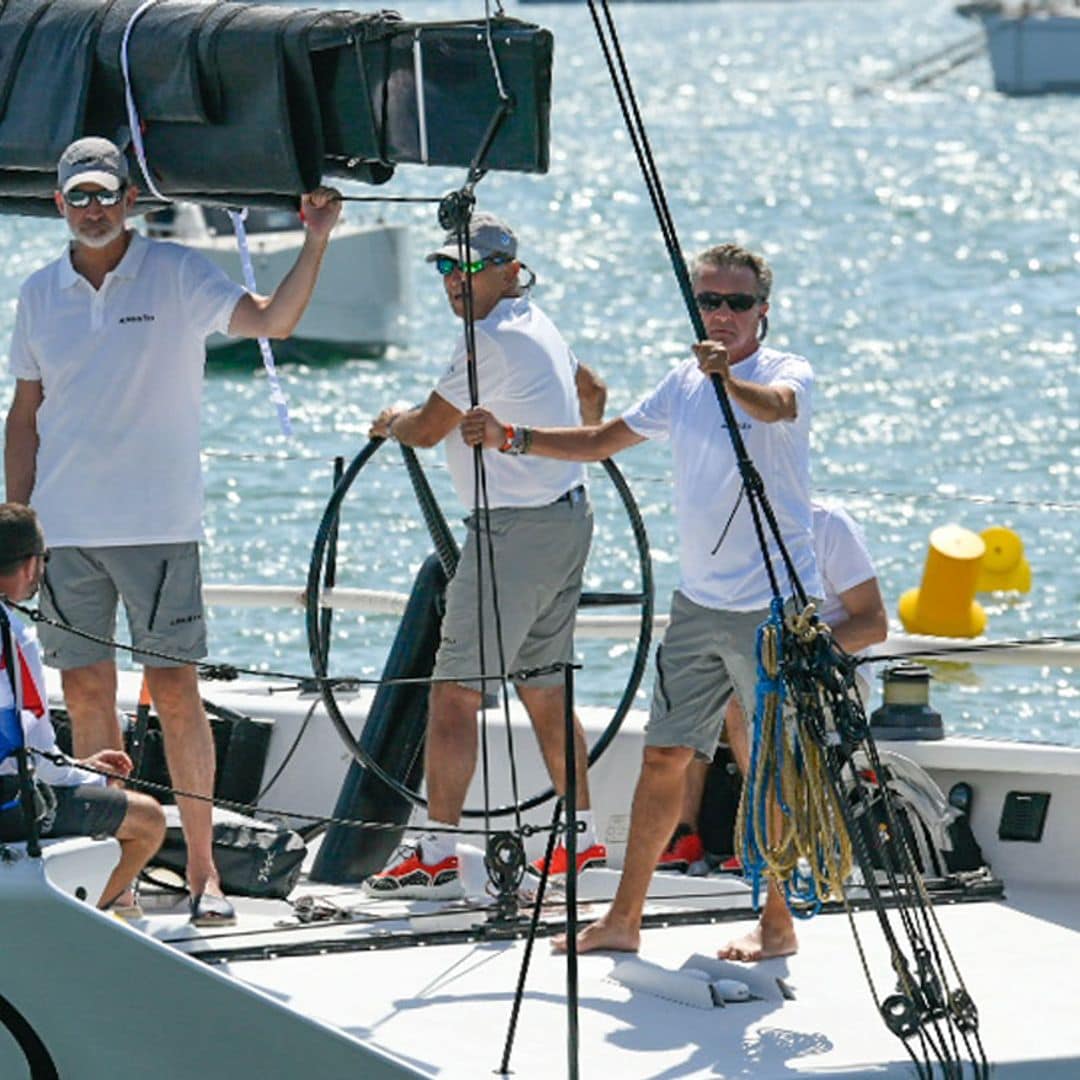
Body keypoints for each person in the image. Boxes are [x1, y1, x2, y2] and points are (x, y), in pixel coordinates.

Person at [4, 137, 341, 925]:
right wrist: (19, 529)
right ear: (58, 204)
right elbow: (25, 414)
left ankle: (201, 874)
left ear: (129, 202)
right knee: (86, 693)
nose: (92, 209)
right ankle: (114, 876)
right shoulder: (36, 293)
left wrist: (316, 239)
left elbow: (275, 320)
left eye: (105, 196)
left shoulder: (178, 272)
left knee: (178, 695)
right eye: (78, 197)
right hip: (64, 530)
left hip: (158, 526)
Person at [461, 241, 823, 953]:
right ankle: (623, 920)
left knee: (766, 764)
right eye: (709, 302)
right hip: (698, 607)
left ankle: (777, 923)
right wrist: (516, 438)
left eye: (737, 303)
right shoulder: (679, 383)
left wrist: (730, 382)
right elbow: (601, 439)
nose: (722, 314)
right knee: (665, 756)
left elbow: (777, 409)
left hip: (771, 607)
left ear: (762, 312)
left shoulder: (784, 373)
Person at [365, 212, 608, 899]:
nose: (455, 282)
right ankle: (579, 843)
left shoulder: (486, 342)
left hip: (512, 534)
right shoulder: (539, 324)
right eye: (445, 268)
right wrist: (563, 453)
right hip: (568, 518)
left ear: (509, 270)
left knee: (454, 694)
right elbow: (593, 390)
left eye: (470, 268)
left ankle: (436, 852)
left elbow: (426, 428)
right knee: (544, 688)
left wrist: (390, 422)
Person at [664, 500, 888, 960]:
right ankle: (686, 836)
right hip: (755, 665)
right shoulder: (726, 528)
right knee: (691, 695)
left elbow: (873, 624)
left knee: (742, 706)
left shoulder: (828, 525)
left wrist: (791, 657)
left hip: (830, 674)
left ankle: (772, 861)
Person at [0, 503, 165, 914]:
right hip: (6, 808)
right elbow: (40, 757)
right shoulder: (15, 638)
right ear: (30, 566)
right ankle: (86, 924)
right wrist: (88, 771)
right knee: (148, 821)